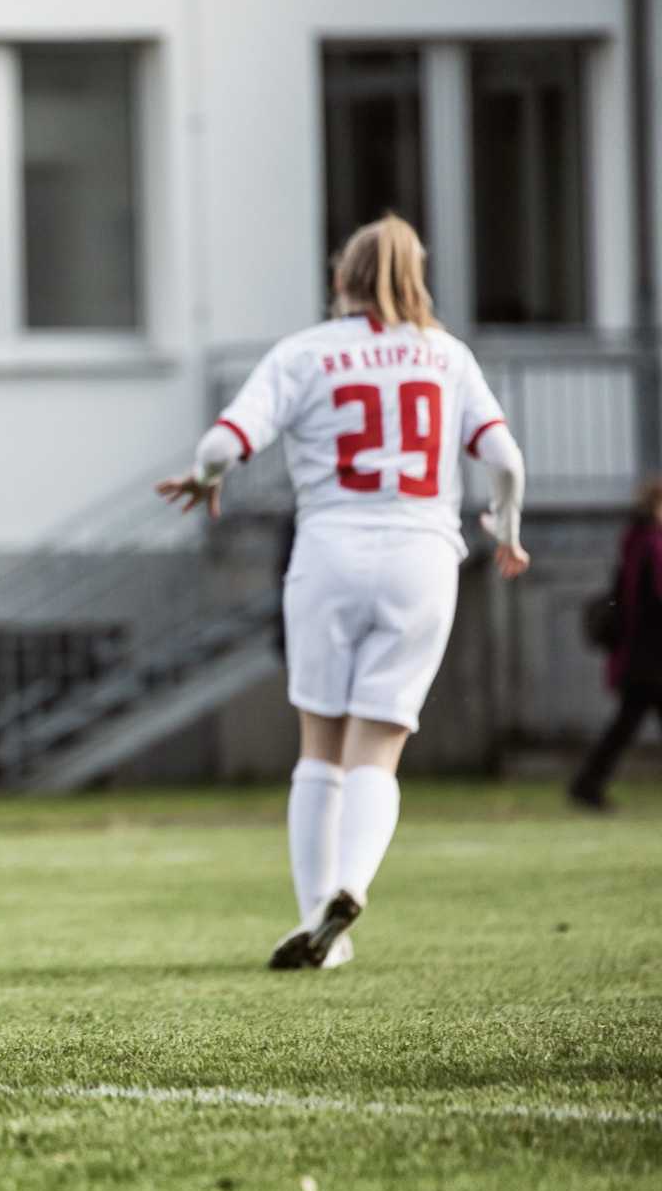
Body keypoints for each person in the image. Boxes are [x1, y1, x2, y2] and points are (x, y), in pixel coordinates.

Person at [157, 213, 529, 970]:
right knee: (378, 749)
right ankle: (351, 883)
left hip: (327, 553)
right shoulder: (446, 357)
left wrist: (205, 483)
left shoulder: (306, 353)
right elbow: (506, 459)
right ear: (418, 277)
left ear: (340, 280)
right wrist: (508, 529)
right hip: (424, 555)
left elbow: (221, 444)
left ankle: (315, 922)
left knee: (319, 750)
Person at [569, 478, 662, 809]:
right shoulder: (652, 540)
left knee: (625, 723)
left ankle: (586, 784)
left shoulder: (635, 538)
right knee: (625, 724)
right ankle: (586, 784)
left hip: (637, 653)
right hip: (649, 657)